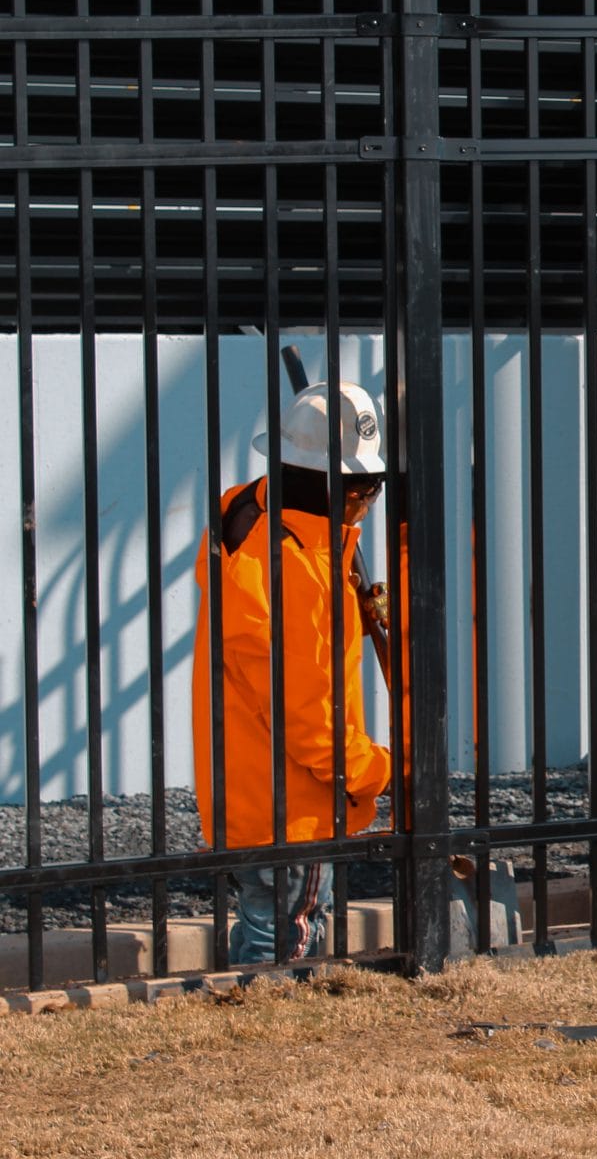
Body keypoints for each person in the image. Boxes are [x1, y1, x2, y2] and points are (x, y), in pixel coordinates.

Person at [192, 380, 394, 964]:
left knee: (263, 926)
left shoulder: (247, 516)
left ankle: (243, 1001)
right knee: (287, 940)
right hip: (293, 807)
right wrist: (374, 770)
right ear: (335, 489)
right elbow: (307, 717)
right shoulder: (296, 571)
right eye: (367, 490)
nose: (369, 504)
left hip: (250, 794)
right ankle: (267, 1011)